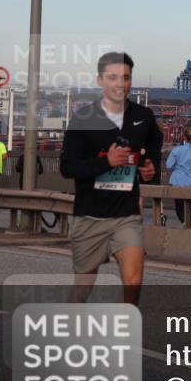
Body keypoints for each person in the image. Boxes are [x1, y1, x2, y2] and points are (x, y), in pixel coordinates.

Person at [60, 52, 162, 305]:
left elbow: (151, 157)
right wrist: (107, 161)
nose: (120, 83)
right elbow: (67, 167)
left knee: (133, 281)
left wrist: (150, 170)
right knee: (82, 290)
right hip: (89, 216)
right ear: (100, 80)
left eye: (126, 77)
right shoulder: (83, 118)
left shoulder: (144, 117)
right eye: (113, 77)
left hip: (126, 216)